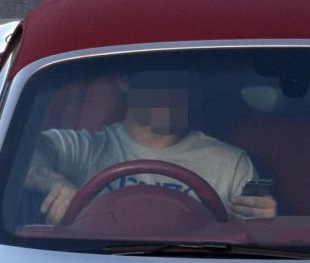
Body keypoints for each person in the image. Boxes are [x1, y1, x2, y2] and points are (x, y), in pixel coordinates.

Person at [25, 70, 278, 224]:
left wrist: (263, 224)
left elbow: (247, 247)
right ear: (125, 80)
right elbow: (22, 155)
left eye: (178, 81)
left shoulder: (230, 163)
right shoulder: (85, 148)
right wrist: (55, 184)